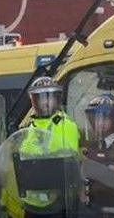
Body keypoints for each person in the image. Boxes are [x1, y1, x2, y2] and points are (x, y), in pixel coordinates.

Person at [19, 76, 80, 218]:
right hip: (32, 202)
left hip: (57, 202)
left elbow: (68, 162)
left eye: (50, 97)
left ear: (57, 99)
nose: (45, 102)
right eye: (40, 98)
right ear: (34, 101)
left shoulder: (67, 125)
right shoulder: (29, 127)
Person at [79, 94, 114, 217]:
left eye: (105, 118)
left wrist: (108, 169)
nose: (99, 123)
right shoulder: (93, 145)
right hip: (93, 208)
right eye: (96, 118)